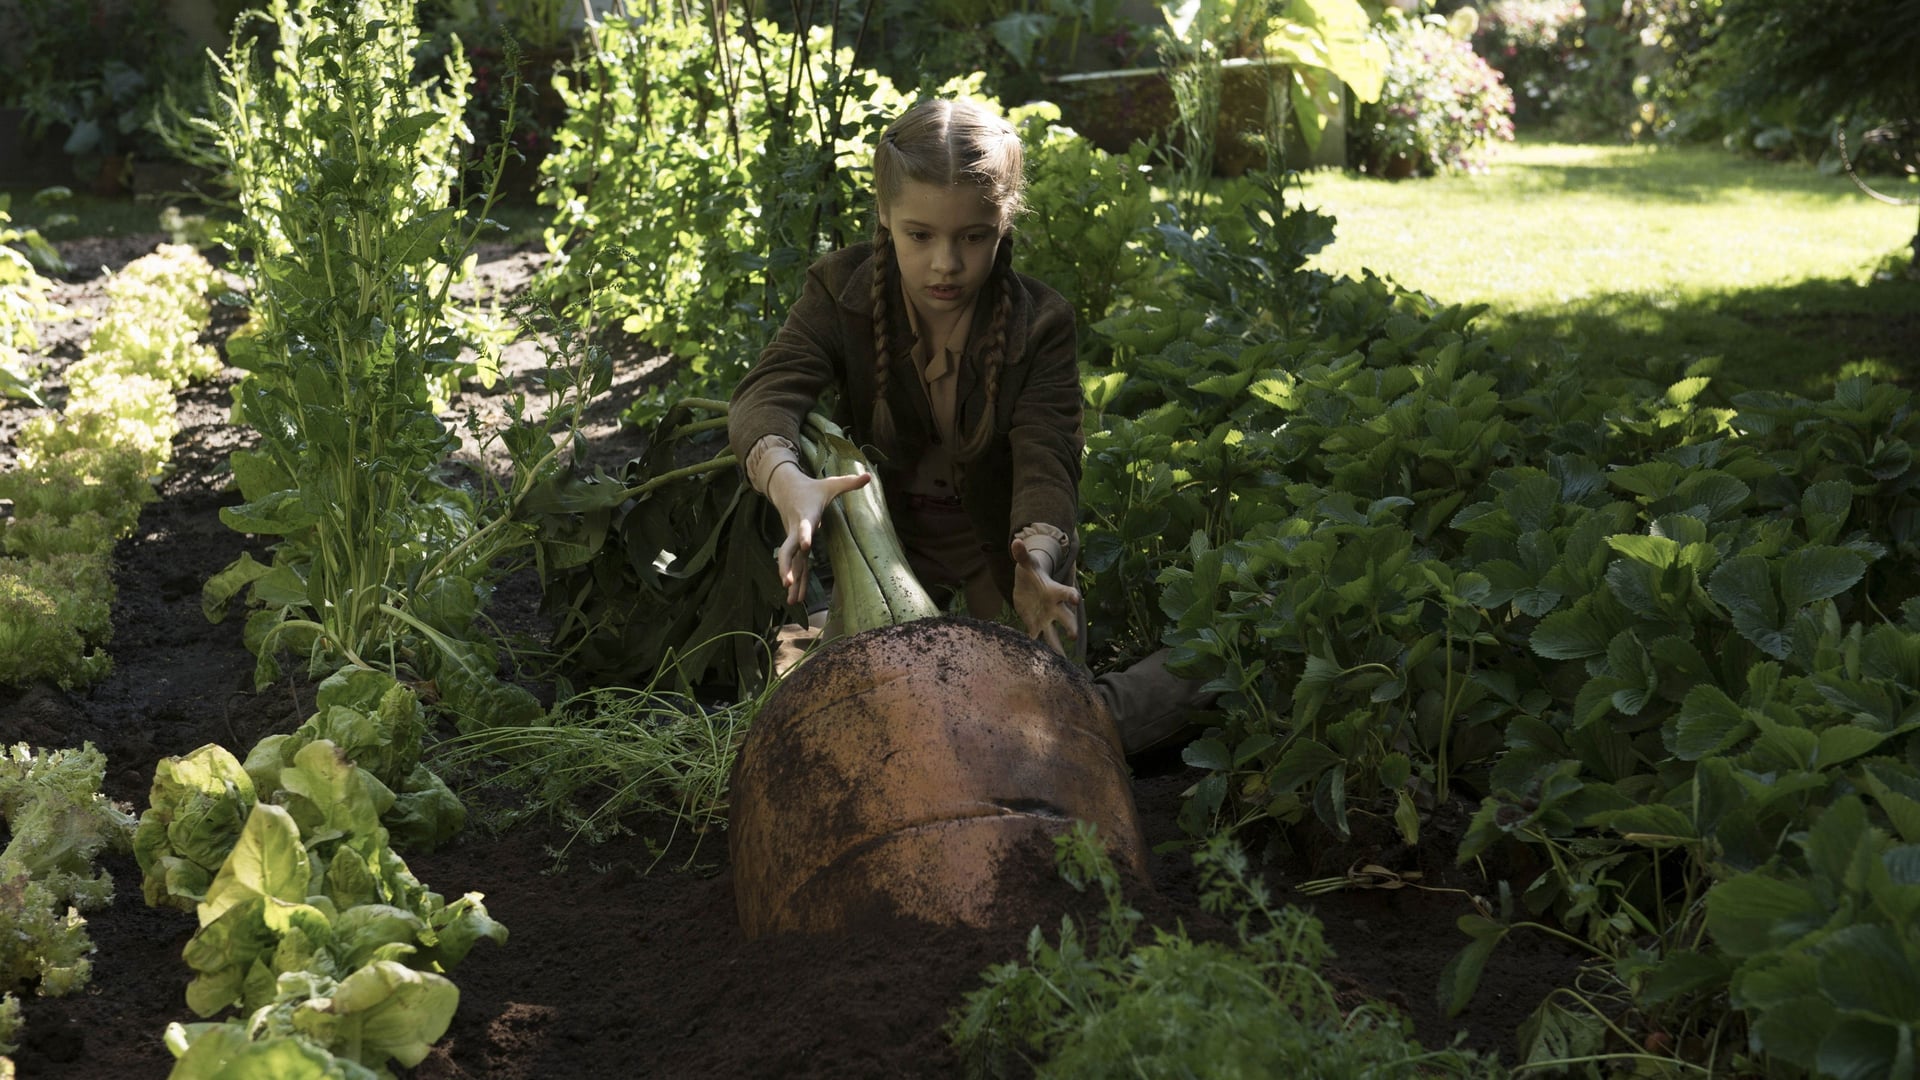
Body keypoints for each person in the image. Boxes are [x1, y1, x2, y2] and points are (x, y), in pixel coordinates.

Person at [727, 97, 1204, 754]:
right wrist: (790, 485)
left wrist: (1038, 561)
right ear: (884, 215)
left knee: (1039, 731)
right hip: (886, 561)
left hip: (1005, 563)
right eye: (920, 236)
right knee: (847, 724)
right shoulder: (839, 291)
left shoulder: (1042, 323)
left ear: (1003, 223)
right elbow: (765, 394)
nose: (946, 264)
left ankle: (1196, 669)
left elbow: (1047, 456)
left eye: (973, 237)